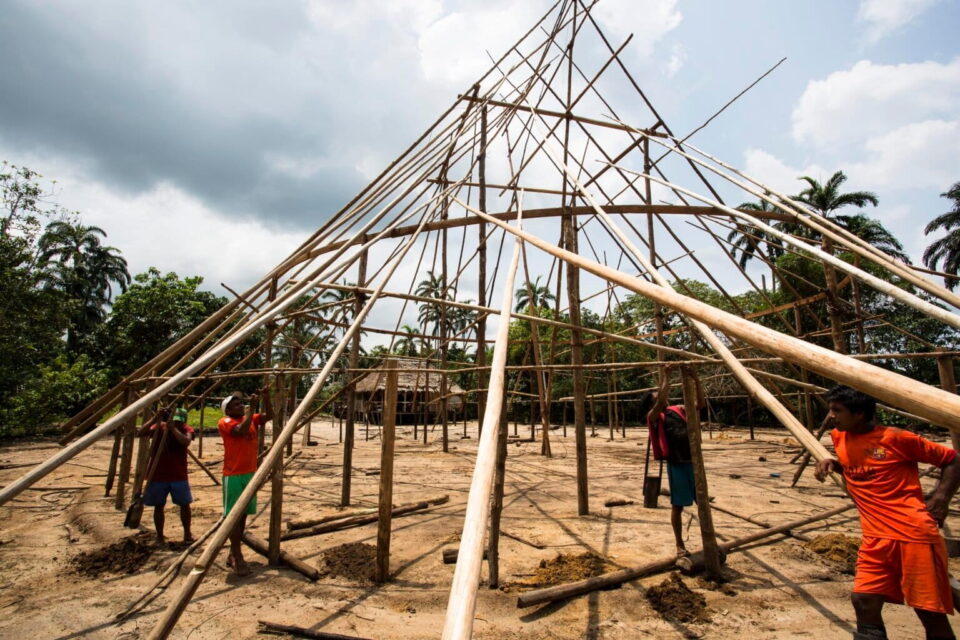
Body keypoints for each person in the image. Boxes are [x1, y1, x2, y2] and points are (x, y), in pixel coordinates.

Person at [815, 385, 960, 640]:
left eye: (837, 410)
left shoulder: (896, 438)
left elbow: (953, 460)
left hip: (912, 535)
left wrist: (941, 498)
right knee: (863, 600)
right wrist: (833, 465)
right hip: (875, 538)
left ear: (859, 413)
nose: (830, 416)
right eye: (830, 410)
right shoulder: (839, 437)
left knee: (928, 611)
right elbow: (858, 466)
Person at [646, 364, 705, 559]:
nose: (664, 399)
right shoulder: (654, 416)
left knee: (702, 502)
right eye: (657, 398)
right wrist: (667, 376)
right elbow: (662, 399)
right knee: (678, 506)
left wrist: (696, 380)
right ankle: (679, 544)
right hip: (677, 463)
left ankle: (708, 539)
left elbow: (699, 404)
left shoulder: (677, 410)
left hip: (694, 462)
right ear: (652, 404)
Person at [218, 391, 270, 576]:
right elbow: (240, 431)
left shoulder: (250, 418)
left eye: (241, 403)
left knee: (243, 516)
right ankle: (238, 557)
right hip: (233, 475)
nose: (241, 406)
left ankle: (233, 553)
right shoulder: (225, 422)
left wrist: (267, 398)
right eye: (236, 404)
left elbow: (269, 416)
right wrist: (252, 409)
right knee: (234, 516)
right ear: (228, 410)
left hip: (249, 473)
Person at [137, 407, 195, 545]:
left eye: (179, 422)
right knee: (159, 506)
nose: (177, 423)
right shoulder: (159, 427)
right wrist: (155, 419)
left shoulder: (186, 429)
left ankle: (187, 534)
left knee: (184, 505)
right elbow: (140, 433)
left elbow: (185, 442)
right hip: (158, 475)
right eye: (174, 421)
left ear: (184, 421)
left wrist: (173, 429)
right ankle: (160, 536)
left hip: (178, 475)